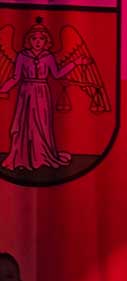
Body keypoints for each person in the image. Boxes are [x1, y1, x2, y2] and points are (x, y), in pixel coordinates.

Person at [0, 18, 89, 171]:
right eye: (34, 38)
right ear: (29, 40)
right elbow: (15, 77)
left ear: (46, 41)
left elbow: (57, 74)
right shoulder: (22, 56)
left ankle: (41, 155)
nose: (37, 42)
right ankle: (22, 157)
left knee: (41, 125)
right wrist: (3, 89)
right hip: (26, 92)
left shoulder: (48, 57)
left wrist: (75, 63)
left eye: (41, 39)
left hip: (42, 92)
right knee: (24, 124)